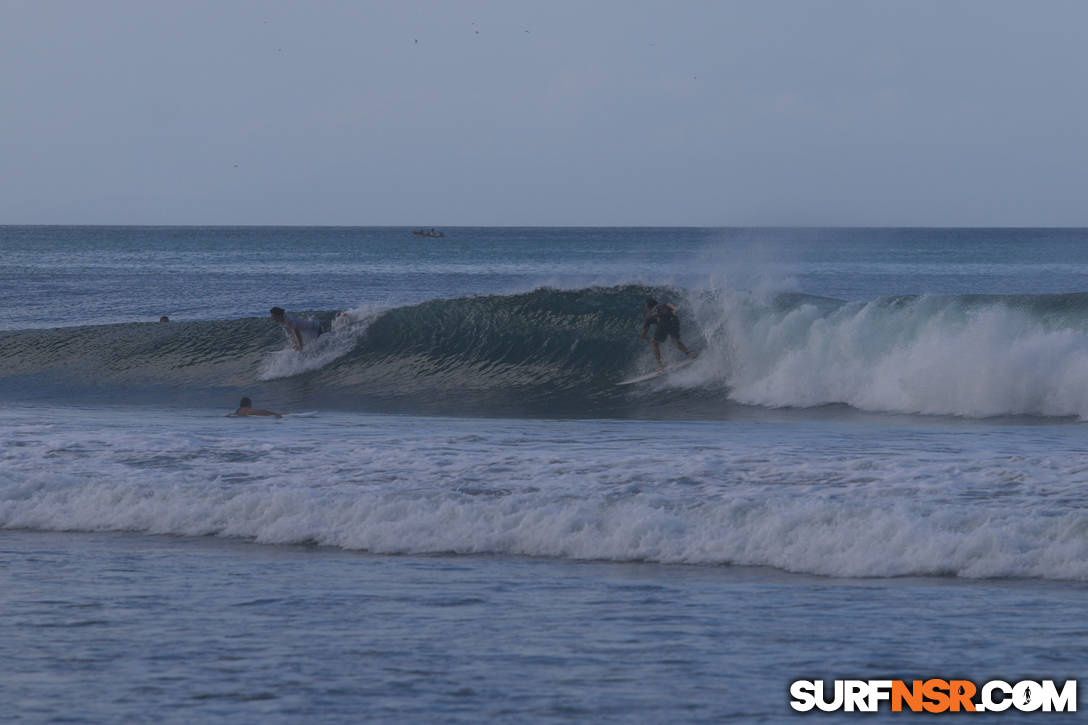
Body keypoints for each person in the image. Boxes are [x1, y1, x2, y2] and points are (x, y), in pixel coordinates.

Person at [640, 298, 696, 372]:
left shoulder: (649, 316)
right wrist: (675, 309)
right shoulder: (662, 305)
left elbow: (643, 333)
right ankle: (689, 354)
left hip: (664, 324)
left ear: (647, 306)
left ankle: (660, 365)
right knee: (674, 340)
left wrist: (646, 338)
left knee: (655, 343)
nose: (645, 308)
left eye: (646, 306)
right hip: (673, 321)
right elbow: (668, 304)